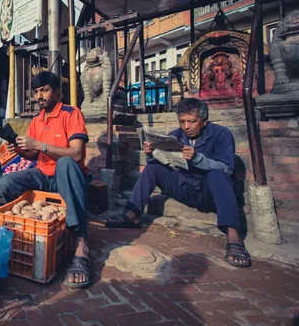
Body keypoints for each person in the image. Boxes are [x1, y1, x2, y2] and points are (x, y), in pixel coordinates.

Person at [106, 98, 251, 267]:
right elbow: (165, 163)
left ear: (204, 121)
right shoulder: (176, 135)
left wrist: (197, 159)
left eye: (192, 121)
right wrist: (152, 154)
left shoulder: (221, 134)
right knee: (153, 168)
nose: (186, 127)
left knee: (217, 175)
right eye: (182, 122)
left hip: (208, 193)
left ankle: (233, 235)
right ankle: (132, 215)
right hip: (184, 187)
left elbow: (226, 168)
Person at [0, 71, 93, 289]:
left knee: (66, 163)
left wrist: (39, 145)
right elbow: (34, 156)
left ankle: (81, 243)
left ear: (57, 91)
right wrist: (21, 150)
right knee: (5, 183)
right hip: (43, 175)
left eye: (44, 90)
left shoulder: (71, 113)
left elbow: (77, 154)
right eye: (36, 92)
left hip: (67, 177)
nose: (39, 96)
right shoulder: (36, 121)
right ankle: (23, 230)